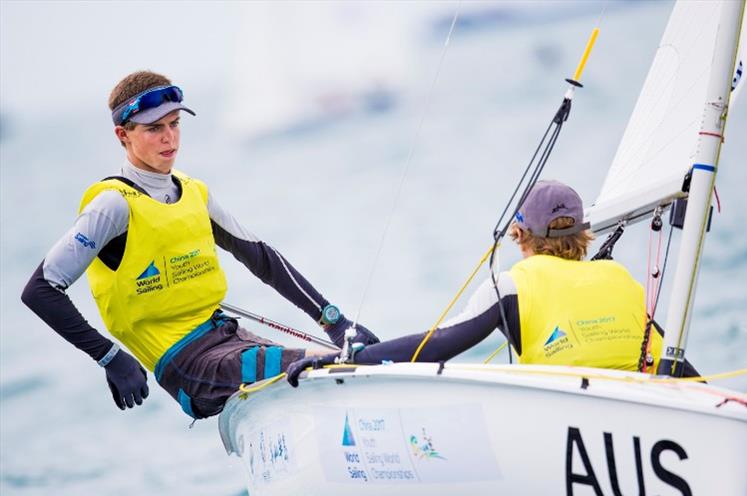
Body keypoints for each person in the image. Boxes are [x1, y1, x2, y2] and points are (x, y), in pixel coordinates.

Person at [21, 70, 378, 419]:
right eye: (154, 128)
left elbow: (262, 259)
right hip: (188, 365)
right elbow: (40, 289)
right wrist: (109, 357)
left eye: (175, 124)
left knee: (355, 352)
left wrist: (335, 320)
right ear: (123, 135)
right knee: (335, 365)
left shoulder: (194, 193)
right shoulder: (113, 205)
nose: (169, 138)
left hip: (229, 337)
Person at [286, 179, 694, 386]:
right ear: (583, 234)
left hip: (569, 419)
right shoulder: (621, 279)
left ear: (519, 235)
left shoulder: (510, 286)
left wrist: (344, 361)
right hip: (645, 405)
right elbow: (678, 365)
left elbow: (436, 345)